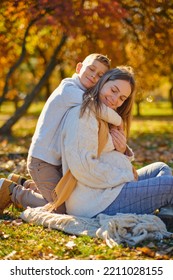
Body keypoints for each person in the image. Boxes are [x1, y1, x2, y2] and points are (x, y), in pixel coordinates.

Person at [0, 54, 126, 214]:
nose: (94, 75)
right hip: (43, 161)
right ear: (79, 67)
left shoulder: (83, 93)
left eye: (101, 75)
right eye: (91, 69)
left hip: (55, 162)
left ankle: (24, 183)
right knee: (60, 208)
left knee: (66, 198)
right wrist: (119, 121)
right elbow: (96, 109)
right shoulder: (69, 89)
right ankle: (13, 191)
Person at [49, 66, 173, 218]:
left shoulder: (105, 115)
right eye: (114, 90)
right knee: (170, 185)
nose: (115, 99)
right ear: (102, 82)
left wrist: (122, 152)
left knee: (161, 168)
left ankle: (166, 211)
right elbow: (84, 168)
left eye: (122, 98)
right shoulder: (84, 115)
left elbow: (107, 156)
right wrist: (127, 176)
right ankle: (165, 208)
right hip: (95, 201)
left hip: (111, 189)